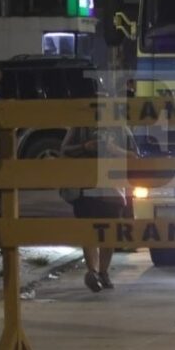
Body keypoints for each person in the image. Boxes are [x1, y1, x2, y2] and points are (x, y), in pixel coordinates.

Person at [61, 96, 137, 292]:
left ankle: (103, 271)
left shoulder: (121, 129)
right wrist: (85, 147)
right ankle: (92, 271)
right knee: (89, 232)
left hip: (113, 191)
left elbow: (134, 156)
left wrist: (113, 149)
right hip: (85, 190)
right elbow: (64, 149)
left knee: (108, 234)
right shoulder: (80, 127)